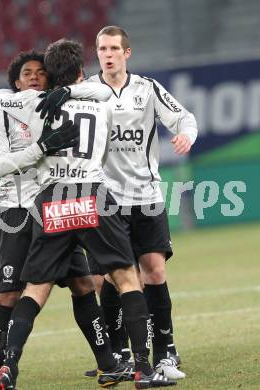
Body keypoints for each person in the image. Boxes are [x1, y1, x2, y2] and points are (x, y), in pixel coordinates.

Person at [0, 39, 176, 389]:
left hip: (52, 199)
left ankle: (8, 366)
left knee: (35, 289)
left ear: (50, 75)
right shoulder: (100, 102)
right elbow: (104, 135)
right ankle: (142, 369)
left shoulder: (33, 104)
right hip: (91, 193)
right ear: (80, 71)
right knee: (126, 279)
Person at [0, 51, 130, 385]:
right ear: (16, 82)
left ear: (51, 78)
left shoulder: (54, 106)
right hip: (16, 212)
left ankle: (107, 363)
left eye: (40, 72)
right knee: (10, 296)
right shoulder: (0, 115)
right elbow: (0, 167)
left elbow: (101, 92)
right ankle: (0, 374)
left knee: (83, 283)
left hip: (52, 209)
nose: (34, 77)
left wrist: (69, 92)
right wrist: (41, 148)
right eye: (26, 73)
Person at [85, 25, 198, 379]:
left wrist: (185, 135)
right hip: (106, 199)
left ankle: (166, 351)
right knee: (108, 279)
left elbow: (183, 117)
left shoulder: (146, 89)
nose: (107, 54)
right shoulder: (87, 91)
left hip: (146, 196)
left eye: (113, 48)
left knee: (155, 272)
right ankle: (119, 353)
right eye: (102, 48)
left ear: (126, 53)